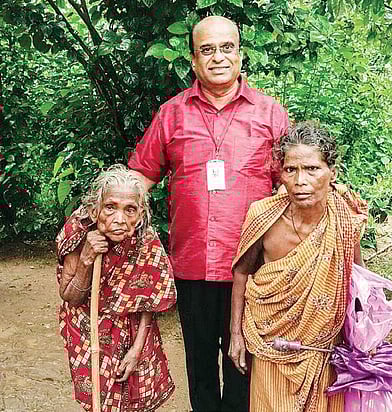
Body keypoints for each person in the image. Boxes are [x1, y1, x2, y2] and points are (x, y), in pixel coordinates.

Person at [128, 15, 289, 412]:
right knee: (200, 368)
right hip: (192, 263)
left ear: (240, 55)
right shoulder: (171, 114)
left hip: (253, 267)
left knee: (245, 365)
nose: (218, 57)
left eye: (226, 47)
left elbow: (294, 183)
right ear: (194, 60)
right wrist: (102, 218)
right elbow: (140, 176)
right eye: (207, 49)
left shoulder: (270, 114)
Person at [229, 122, 368, 411]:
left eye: (312, 169)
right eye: (290, 170)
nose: (299, 181)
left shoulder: (344, 220)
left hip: (324, 351)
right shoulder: (263, 217)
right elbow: (241, 273)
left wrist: (367, 338)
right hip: (271, 346)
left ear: (332, 172)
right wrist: (235, 335)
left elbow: (358, 282)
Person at [56, 164, 176, 412]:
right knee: (99, 399)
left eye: (129, 210)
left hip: (134, 330)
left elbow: (149, 303)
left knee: (136, 397)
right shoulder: (78, 232)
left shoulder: (145, 239)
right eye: (110, 207)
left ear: (140, 214)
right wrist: (86, 260)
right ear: (95, 208)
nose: (120, 219)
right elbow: (70, 296)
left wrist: (136, 349)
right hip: (89, 329)